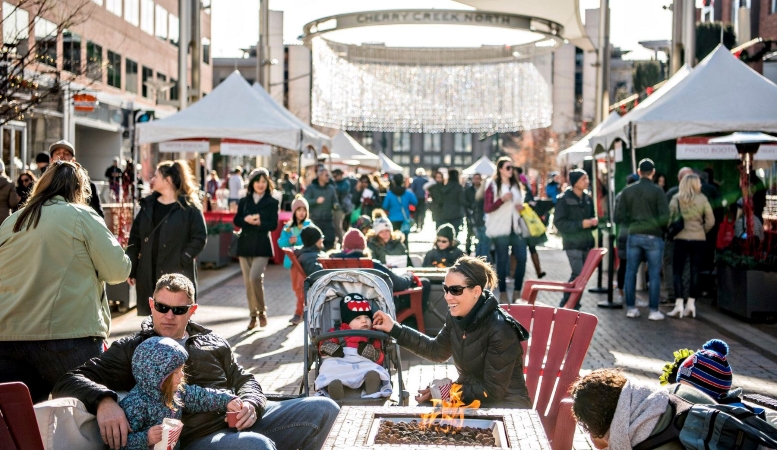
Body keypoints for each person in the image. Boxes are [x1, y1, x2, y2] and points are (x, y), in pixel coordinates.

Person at [53, 274, 340, 450]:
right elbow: (67, 381)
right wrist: (105, 401)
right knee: (256, 446)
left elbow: (243, 378)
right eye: (162, 307)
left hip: (237, 420)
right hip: (197, 438)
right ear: (152, 305)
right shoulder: (135, 347)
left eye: (178, 310)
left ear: (192, 310)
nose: (169, 316)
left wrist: (251, 403)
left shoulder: (211, 339)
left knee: (325, 408)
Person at [0, 161, 131, 403]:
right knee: (87, 414)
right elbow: (118, 271)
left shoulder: (13, 221)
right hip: (68, 336)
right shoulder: (81, 215)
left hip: (8, 338)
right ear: (79, 189)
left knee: (21, 425)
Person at [372, 256, 531, 408]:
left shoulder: (500, 329)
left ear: (476, 291)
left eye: (455, 290)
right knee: (424, 412)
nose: (448, 297)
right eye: (446, 289)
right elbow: (436, 351)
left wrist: (447, 391)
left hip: (509, 408)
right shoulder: (457, 317)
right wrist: (394, 328)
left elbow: (492, 390)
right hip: (478, 402)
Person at [119, 337, 242, 450]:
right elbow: (119, 444)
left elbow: (200, 397)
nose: (182, 375)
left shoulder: (176, 392)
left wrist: (227, 400)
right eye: (176, 372)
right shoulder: (136, 404)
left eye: (182, 370)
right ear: (157, 376)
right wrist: (146, 438)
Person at [127, 160, 207, 317]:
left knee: (174, 319)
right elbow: (135, 238)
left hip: (177, 274)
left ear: (168, 180)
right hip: (149, 273)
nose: (152, 180)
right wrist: (132, 267)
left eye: (156, 176)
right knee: (152, 322)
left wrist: (182, 258)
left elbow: (199, 237)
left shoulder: (189, 207)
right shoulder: (147, 205)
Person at [615, 158, 671, 320]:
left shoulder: (628, 191)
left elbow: (619, 216)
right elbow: (665, 215)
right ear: (653, 172)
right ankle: (653, 310)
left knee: (630, 272)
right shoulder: (657, 191)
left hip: (634, 234)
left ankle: (631, 308)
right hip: (653, 235)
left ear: (639, 172)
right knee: (654, 274)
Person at [315, 294, 391, 400]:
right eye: (358, 318)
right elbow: (323, 345)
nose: (364, 321)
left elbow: (380, 357)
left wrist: (371, 352)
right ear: (347, 321)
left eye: (367, 317)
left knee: (375, 368)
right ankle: (335, 387)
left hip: (363, 363)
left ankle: (370, 384)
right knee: (328, 365)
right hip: (340, 362)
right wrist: (331, 348)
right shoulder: (338, 332)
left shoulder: (373, 335)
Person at [234, 168, 279, 330]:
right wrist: (246, 220)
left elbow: (273, 224)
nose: (261, 185)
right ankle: (253, 316)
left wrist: (260, 222)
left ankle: (262, 311)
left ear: (268, 184)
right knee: (248, 282)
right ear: (252, 183)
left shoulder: (273, 202)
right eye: (258, 181)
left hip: (262, 245)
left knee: (254, 278)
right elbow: (237, 220)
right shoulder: (244, 201)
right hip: (245, 244)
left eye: (264, 182)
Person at [667, 174, 714, 319]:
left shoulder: (676, 198)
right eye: (699, 183)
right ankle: (691, 304)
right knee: (695, 270)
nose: (700, 185)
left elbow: (670, 219)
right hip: (698, 239)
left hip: (681, 238)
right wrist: (701, 230)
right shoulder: (703, 199)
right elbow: (711, 221)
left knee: (677, 271)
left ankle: (679, 304)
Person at [483, 157, 528, 303]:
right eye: (508, 168)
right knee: (502, 261)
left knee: (522, 258)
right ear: (500, 169)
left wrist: (521, 207)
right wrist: (501, 200)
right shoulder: (493, 185)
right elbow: (487, 208)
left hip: (516, 227)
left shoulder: (517, 185)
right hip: (500, 227)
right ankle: (502, 292)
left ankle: (517, 291)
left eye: (512, 167)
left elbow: (520, 203)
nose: (511, 170)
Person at [553, 169, 597, 309]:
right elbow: (559, 223)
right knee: (577, 274)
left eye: (587, 179)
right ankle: (566, 305)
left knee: (581, 278)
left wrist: (593, 223)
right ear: (575, 181)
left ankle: (573, 304)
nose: (587, 182)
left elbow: (592, 218)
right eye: (584, 179)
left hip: (587, 243)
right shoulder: (564, 199)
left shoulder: (587, 198)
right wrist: (581, 224)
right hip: (572, 243)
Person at [279, 196, 312, 325]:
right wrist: (288, 241)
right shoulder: (288, 226)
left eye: (304, 209)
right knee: (295, 287)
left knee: (300, 286)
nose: (301, 212)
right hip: (292, 261)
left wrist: (297, 241)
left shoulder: (309, 226)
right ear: (294, 211)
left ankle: (299, 312)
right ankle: (303, 310)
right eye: (299, 209)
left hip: (304, 261)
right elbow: (281, 242)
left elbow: (312, 241)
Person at [49, 140, 104, 217]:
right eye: (58, 153)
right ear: (51, 160)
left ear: (73, 160)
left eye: (66, 153)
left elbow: (98, 217)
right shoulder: (44, 186)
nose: (62, 156)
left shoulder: (88, 186)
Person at [614, 174, 639, 301]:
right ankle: (630, 294)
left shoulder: (620, 195)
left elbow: (615, 218)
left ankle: (621, 292)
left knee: (623, 264)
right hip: (636, 232)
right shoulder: (639, 197)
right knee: (632, 266)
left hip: (623, 233)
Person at [304, 167, 340, 250]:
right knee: (316, 240)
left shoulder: (331, 188)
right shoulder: (311, 188)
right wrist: (316, 201)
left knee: (330, 239)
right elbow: (305, 201)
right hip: (315, 220)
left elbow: (336, 201)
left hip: (328, 219)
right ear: (319, 176)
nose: (328, 177)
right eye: (326, 175)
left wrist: (336, 205)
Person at [439, 168, 465, 234]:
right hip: (456, 213)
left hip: (445, 212)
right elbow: (461, 201)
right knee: (454, 233)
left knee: (445, 233)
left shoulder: (444, 187)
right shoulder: (458, 187)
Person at [462, 173, 483, 255]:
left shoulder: (483, 190)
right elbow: (464, 201)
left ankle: (478, 250)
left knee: (479, 235)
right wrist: (469, 208)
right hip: (470, 214)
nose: (476, 180)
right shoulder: (468, 190)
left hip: (480, 216)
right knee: (469, 233)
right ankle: (468, 250)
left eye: (478, 178)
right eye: (475, 178)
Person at [332, 169, 353, 244]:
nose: (334, 178)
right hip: (335, 207)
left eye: (335, 176)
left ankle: (342, 242)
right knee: (335, 226)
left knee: (338, 226)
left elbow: (341, 191)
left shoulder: (345, 183)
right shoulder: (334, 183)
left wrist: (334, 186)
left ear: (340, 175)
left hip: (342, 207)